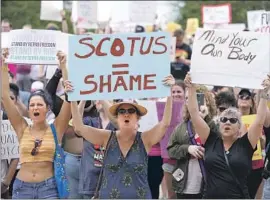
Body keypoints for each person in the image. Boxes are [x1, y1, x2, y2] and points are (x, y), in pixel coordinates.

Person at [66, 75, 174, 199]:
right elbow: (79, 127)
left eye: (131, 111)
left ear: (138, 117)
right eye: (122, 112)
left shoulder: (145, 139)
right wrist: (73, 98)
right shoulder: (106, 137)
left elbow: (165, 123)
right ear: (116, 117)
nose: (126, 114)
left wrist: (169, 92)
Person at [184, 72, 270, 199]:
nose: (227, 122)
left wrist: (264, 93)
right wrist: (191, 88)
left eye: (233, 120)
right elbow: (194, 114)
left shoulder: (246, 144)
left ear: (240, 128)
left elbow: (260, 119)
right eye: (223, 120)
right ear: (219, 125)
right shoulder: (210, 139)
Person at [1, 49, 71, 199]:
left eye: (39, 104)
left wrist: (64, 67)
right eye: (32, 105)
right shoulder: (22, 127)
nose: (35, 108)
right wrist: (3, 65)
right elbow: (5, 97)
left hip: (49, 189)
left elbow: (70, 97)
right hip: (22, 188)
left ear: (47, 108)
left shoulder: (56, 128)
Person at [167, 85, 217, 199]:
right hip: (185, 185)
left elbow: (219, 147)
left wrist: (206, 119)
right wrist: (187, 149)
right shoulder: (181, 127)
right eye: (188, 98)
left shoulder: (214, 124)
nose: (192, 102)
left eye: (196, 98)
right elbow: (170, 150)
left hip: (208, 183)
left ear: (206, 101)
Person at [237, 88, 265, 198]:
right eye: (241, 96)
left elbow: (262, 145)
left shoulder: (256, 120)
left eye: (247, 97)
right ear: (237, 101)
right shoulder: (231, 119)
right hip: (238, 163)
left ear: (252, 102)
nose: (244, 98)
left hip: (255, 165)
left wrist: (260, 139)